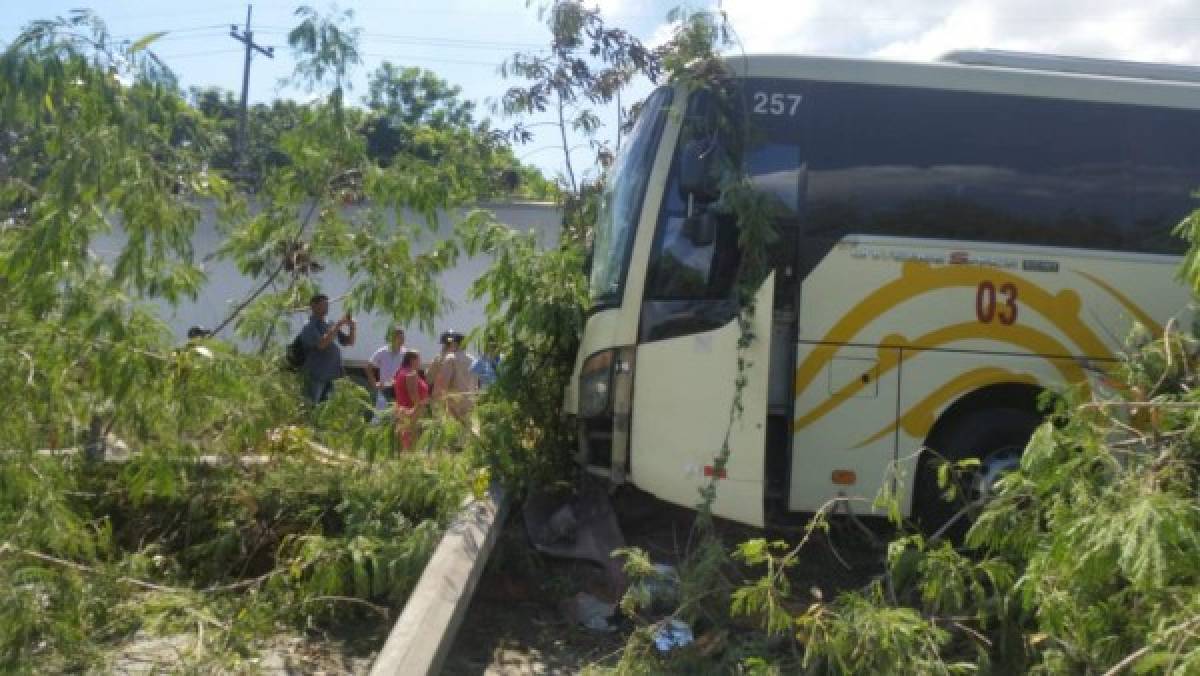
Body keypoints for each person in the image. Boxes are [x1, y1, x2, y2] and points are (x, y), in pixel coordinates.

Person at [299, 293, 356, 404]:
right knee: (311, 407)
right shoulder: (309, 326)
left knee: (327, 410)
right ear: (313, 306)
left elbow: (349, 342)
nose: (326, 306)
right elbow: (321, 344)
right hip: (316, 376)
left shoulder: (330, 324)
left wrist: (352, 327)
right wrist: (338, 325)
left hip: (332, 375)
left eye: (327, 304)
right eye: (323, 304)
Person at [431, 329, 476, 421]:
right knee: (467, 430)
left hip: (454, 402)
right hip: (470, 399)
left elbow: (444, 383)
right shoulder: (473, 359)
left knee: (453, 431)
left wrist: (438, 399)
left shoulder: (450, 358)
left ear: (455, 344)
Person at [393, 349, 429, 450]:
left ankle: (404, 457)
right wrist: (418, 406)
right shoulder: (411, 373)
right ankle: (410, 458)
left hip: (402, 408)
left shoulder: (400, 371)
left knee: (404, 435)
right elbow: (413, 393)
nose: (420, 362)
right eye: (419, 359)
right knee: (411, 436)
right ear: (412, 360)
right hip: (411, 409)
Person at [367, 326, 406, 406]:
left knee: (398, 414)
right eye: (399, 337)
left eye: (402, 337)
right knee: (381, 414)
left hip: (399, 388)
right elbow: (369, 366)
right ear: (392, 338)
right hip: (385, 388)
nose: (401, 340)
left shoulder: (406, 353)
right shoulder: (382, 351)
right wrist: (374, 383)